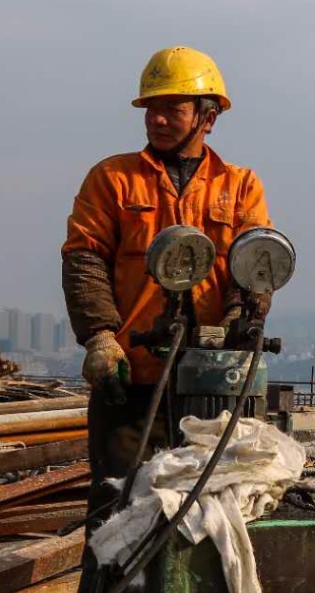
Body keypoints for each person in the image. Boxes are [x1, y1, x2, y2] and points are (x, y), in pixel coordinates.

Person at [62, 46, 271, 530]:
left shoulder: (239, 187)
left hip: (210, 382)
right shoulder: (113, 180)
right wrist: (99, 336)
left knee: (211, 507)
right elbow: (84, 258)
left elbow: (256, 265)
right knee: (118, 506)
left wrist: (243, 317)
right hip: (131, 377)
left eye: (171, 109)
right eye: (151, 109)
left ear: (208, 117)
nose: (156, 120)